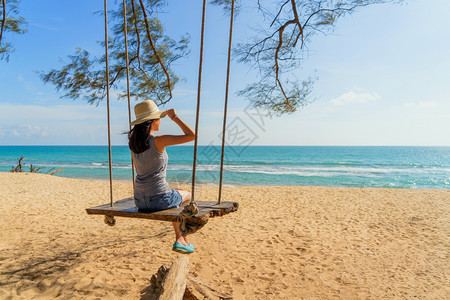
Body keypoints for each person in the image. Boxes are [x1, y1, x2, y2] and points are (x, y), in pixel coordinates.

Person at [128, 99, 195, 254]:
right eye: (159, 118)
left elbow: (138, 169)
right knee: (188, 196)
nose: (160, 121)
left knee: (176, 192)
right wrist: (174, 117)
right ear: (152, 121)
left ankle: (182, 239)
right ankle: (180, 238)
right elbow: (192, 135)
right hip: (159, 199)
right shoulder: (158, 140)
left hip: (140, 200)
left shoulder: (133, 144)